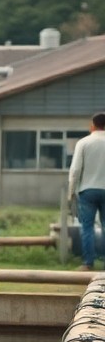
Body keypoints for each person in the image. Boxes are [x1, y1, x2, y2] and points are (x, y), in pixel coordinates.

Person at [68, 111, 105, 271]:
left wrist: (71, 192)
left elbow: (75, 169)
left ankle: (88, 263)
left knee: (87, 227)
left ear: (92, 125)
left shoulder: (83, 142)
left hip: (87, 191)